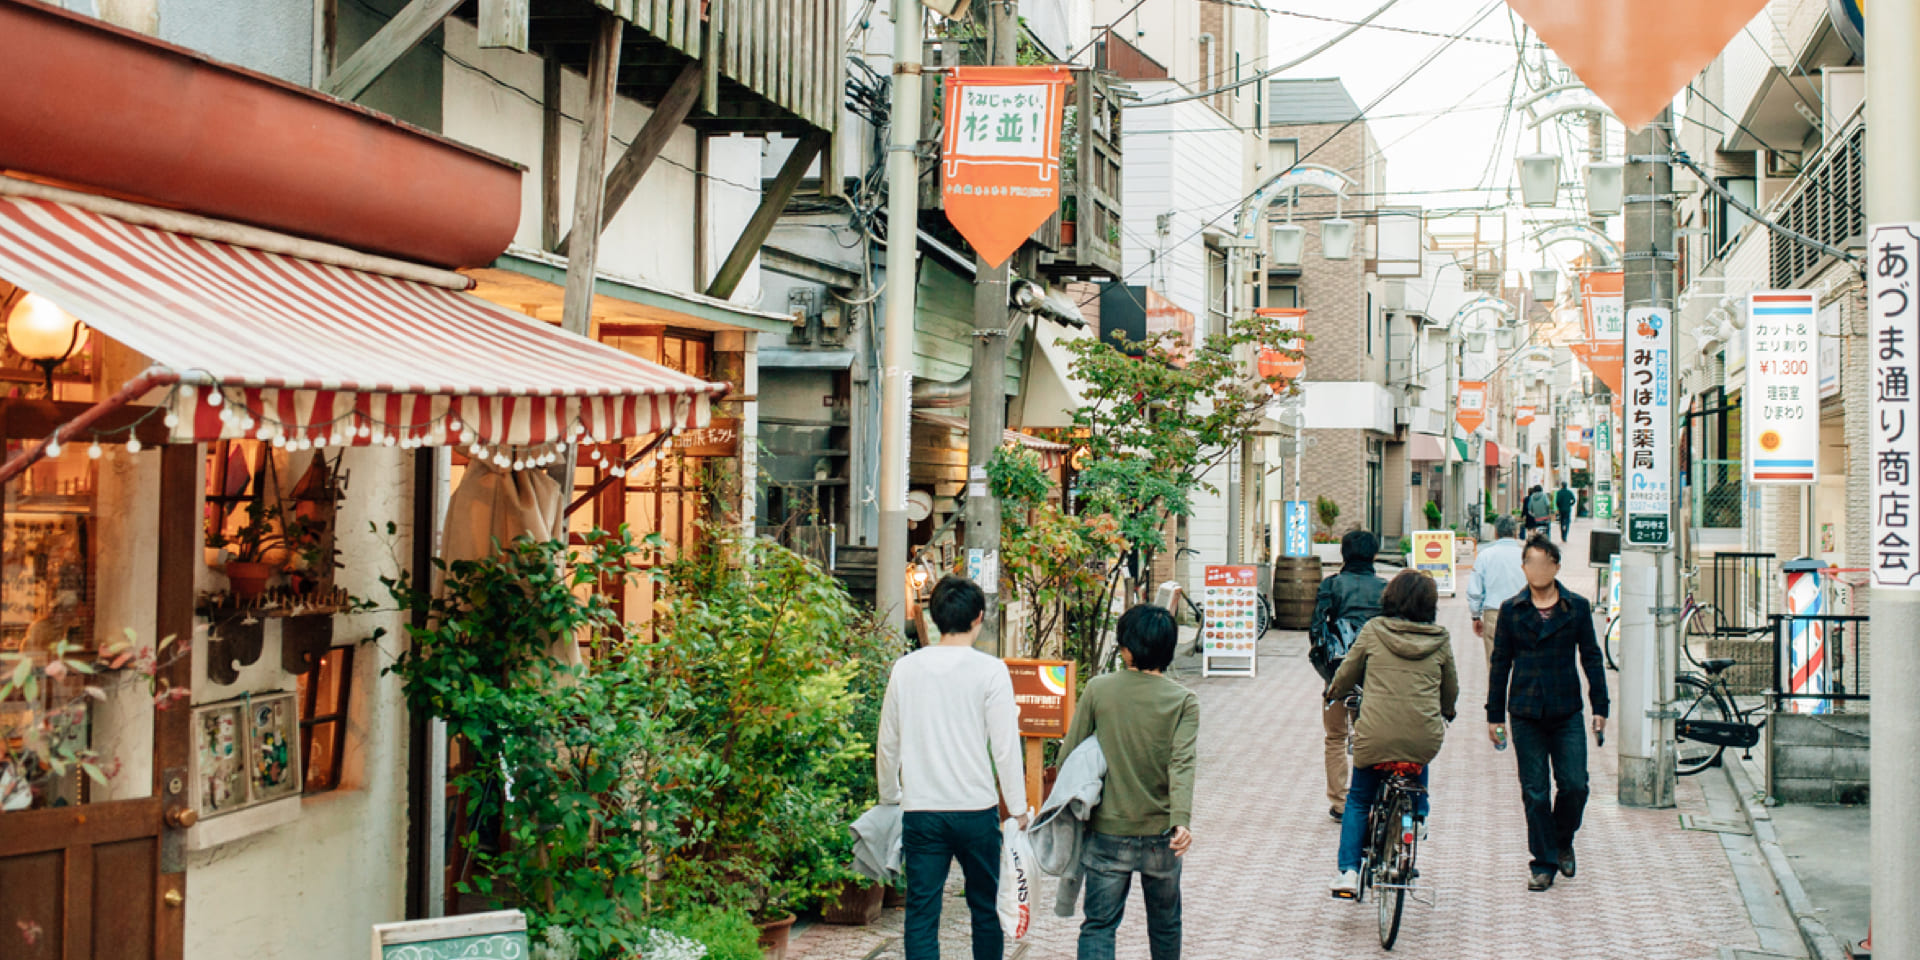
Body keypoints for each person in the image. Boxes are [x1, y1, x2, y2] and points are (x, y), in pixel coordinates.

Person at [877, 576, 1028, 960]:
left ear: (934, 616)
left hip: (922, 810)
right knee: (985, 907)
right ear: (979, 617)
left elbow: (888, 740)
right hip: (976, 810)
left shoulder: (906, 668)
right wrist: (1018, 807)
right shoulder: (991, 671)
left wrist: (889, 796)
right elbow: (1006, 748)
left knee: (923, 911)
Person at [1061, 604, 1199, 960]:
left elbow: (1070, 756)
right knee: (1166, 924)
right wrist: (1180, 820)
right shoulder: (1183, 700)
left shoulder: (1098, 689)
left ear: (1126, 649)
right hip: (1162, 834)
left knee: (1099, 926)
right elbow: (1181, 764)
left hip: (1108, 831)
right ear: (1168, 650)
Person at [1325, 569, 1458, 898]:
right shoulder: (1440, 639)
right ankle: (1418, 814)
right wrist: (1448, 710)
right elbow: (1450, 689)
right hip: (1422, 738)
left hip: (1377, 735)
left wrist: (1333, 692)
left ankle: (1348, 872)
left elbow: (1347, 672)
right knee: (1415, 750)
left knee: (1358, 800)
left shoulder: (1374, 630)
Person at [1486, 536, 1609, 892]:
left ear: (1555, 566)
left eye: (1544, 563)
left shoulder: (1577, 608)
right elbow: (1500, 664)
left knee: (1575, 785)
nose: (1537, 571)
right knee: (1535, 791)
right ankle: (1542, 862)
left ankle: (1561, 838)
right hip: (1525, 711)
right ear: (1523, 568)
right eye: (1530, 564)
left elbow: (1591, 658)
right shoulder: (1512, 610)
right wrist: (1494, 715)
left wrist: (1600, 707)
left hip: (1566, 709)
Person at [1308, 530, 1386, 821]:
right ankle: (1368, 798)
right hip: (1375, 674)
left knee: (1335, 737)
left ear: (1343, 554)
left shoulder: (1331, 586)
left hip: (1338, 673)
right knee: (1371, 737)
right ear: (1374, 555)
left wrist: (1327, 670)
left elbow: (1316, 630)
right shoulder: (1384, 588)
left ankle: (1339, 801)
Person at [1467, 517, 1528, 666]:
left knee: (1495, 665)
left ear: (1495, 533)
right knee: (1523, 664)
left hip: (1494, 613)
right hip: (1524, 614)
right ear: (1515, 532)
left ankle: (1497, 689)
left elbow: (1475, 589)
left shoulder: (1485, 556)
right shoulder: (1526, 556)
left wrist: (1476, 616)